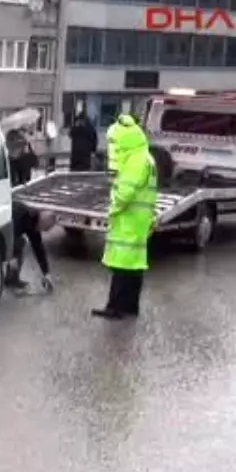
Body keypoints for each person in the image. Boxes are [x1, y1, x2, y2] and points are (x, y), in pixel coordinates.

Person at [91, 114, 158, 320]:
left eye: (115, 142)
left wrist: (112, 206)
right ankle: (130, 307)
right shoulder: (145, 156)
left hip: (128, 219)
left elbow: (125, 192)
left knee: (121, 265)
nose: (114, 146)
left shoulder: (135, 160)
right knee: (133, 266)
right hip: (138, 219)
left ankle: (115, 308)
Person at [4, 131, 53, 293]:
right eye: (20, 146)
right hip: (8, 212)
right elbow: (10, 239)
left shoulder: (33, 218)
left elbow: (39, 247)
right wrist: (9, 257)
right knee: (17, 244)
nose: (42, 231)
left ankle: (12, 276)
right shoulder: (24, 216)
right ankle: (10, 277)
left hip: (18, 200)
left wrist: (47, 274)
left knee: (25, 243)